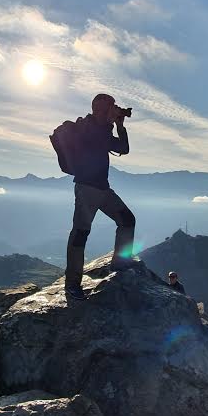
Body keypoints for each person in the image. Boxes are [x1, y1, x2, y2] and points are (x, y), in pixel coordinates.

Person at [64, 93, 136, 301]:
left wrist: (120, 125)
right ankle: (72, 285)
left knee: (127, 220)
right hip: (87, 189)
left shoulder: (102, 128)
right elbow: (105, 140)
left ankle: (121, 262)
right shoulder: (88, 127)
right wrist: (111, 123)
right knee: (80, 233)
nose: (114, 111)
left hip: (103, 189)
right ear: (101, 109)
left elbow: (123, 149)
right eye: (111, 108)